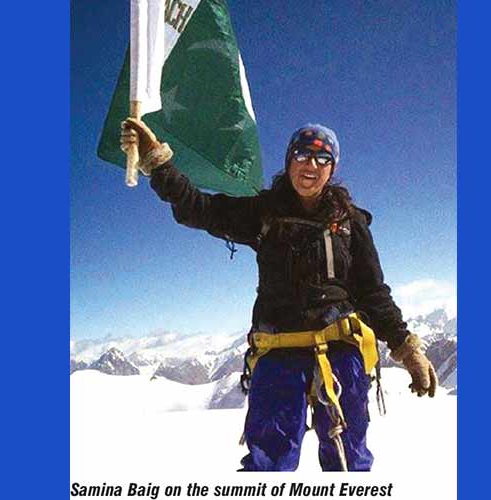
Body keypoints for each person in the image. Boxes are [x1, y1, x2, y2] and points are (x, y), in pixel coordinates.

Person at [121, 119, 437, 472]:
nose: (311, 164)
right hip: (279, 352)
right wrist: (157, 162)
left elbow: (372, 291)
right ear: (289, 160)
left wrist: (406, 346)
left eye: (323, 158)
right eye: (302, 154)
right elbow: (199, 208)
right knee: (268, 465)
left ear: (332, 168)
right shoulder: (263, 212)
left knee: (348, 461)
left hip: (340, 350)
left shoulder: (350, 222)